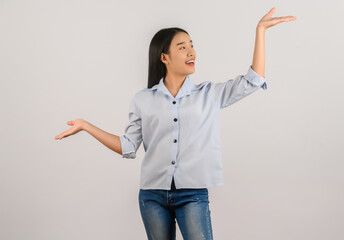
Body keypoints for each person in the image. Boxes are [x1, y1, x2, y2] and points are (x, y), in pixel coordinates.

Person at [55, 7, 296, 240]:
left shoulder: (209, 94)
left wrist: (260, 31)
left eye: (192, 46)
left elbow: (253, 81)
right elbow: (128, 146)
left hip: (193, 193)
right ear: (164, 57)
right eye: (183, 47)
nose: (192, 52)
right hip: (151, 196)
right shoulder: (143, 99)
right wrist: (86, 126)